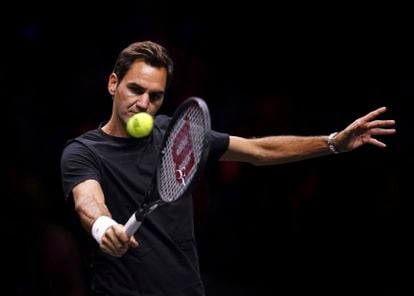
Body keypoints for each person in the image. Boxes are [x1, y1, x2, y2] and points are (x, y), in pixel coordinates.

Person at [60, 40, 396, 296]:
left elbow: (258, 150)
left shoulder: (178, 136)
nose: (144, 104)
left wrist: (334, 141)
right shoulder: (84, 151)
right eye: (135, 89)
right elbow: (87, 201)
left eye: (156, 95)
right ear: (113, 84)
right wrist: (104, 228)